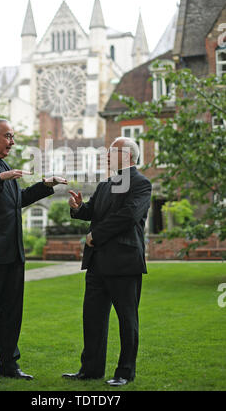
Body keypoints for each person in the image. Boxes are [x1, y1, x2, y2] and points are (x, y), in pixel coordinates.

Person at [0, 118, 67, 383]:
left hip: (13, 252)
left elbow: (16, 201)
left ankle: (9, 364)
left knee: (11, 311)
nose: (12, 142)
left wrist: (46, 186)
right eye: (8, 136)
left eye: (13, 137)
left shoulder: (4, 165)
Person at [62, 137, 152, 386]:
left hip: (124, 263)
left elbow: (128, 215)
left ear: (129, 156)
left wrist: (95, 234)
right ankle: (90, 370)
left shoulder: (142, 183)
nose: (108, 155)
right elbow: (93, 212)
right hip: (97, 263)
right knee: (92, 319)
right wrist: (79, 208)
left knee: (127, 320)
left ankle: (124, 373)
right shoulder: (104, 185)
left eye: (113, 152)